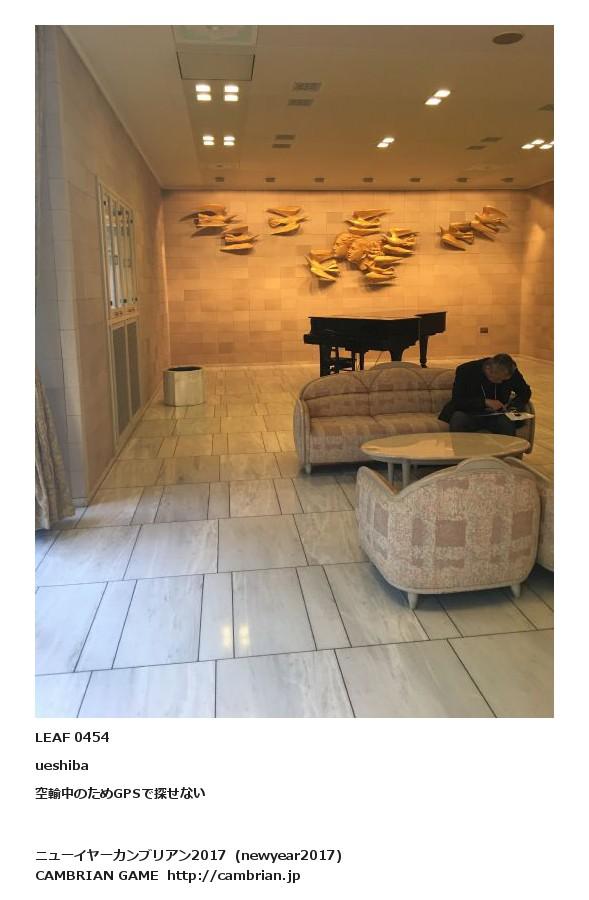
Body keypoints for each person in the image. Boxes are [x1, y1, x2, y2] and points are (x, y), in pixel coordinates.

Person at [438, 353, 532, 436]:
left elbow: (525, 392)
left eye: (504, 380)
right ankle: (463, 451)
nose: (501, 382)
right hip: (471, 413)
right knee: (458, 419)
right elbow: (458, 400)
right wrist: (485, 402)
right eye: (498, 379)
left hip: (497, 415)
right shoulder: (466, 370)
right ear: (488, 369)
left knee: (507, 424)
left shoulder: (510, 372)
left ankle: (508, 451)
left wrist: (512, 407)